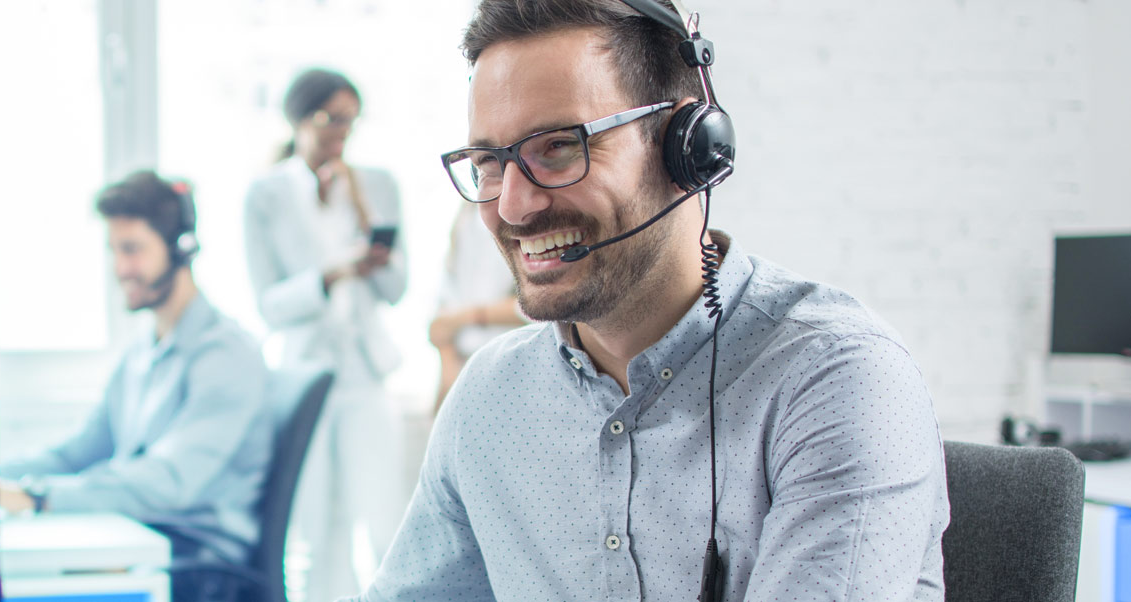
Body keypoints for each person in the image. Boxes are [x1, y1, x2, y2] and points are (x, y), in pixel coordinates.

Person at [352, 1, 949, 600]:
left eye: (559, 147)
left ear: (687, 149)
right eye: (488, 162)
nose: (511, 206)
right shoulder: (490, 399)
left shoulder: (838, 379)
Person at [0, 171, 270, 601]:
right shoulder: (142, 351)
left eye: (133, 250)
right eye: (114, 250)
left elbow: (168, 481)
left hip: (199, 566)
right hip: (141, 539)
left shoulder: (225, 356)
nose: (120, 268)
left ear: (182, 248)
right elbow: (78, 453)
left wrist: (34, 496)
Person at [243, 68, 408, 602]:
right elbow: (270, 306)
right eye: (332, 119)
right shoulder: (265, 195)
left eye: (350, 121)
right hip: (304, 377)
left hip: (365, 376)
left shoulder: (376, 184)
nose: (343, 132)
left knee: (386, 524)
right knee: (316, 532)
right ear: (299, 119)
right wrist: (332, 272)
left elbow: (396, 287)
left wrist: (365, 222)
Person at [429, 201, 524, 410]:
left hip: (514, 367)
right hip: (464, 365)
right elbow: (442, 319)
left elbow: (535, 306)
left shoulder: (521, 211)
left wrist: (468, 317)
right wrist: (448, 373)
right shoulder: (465, 213)